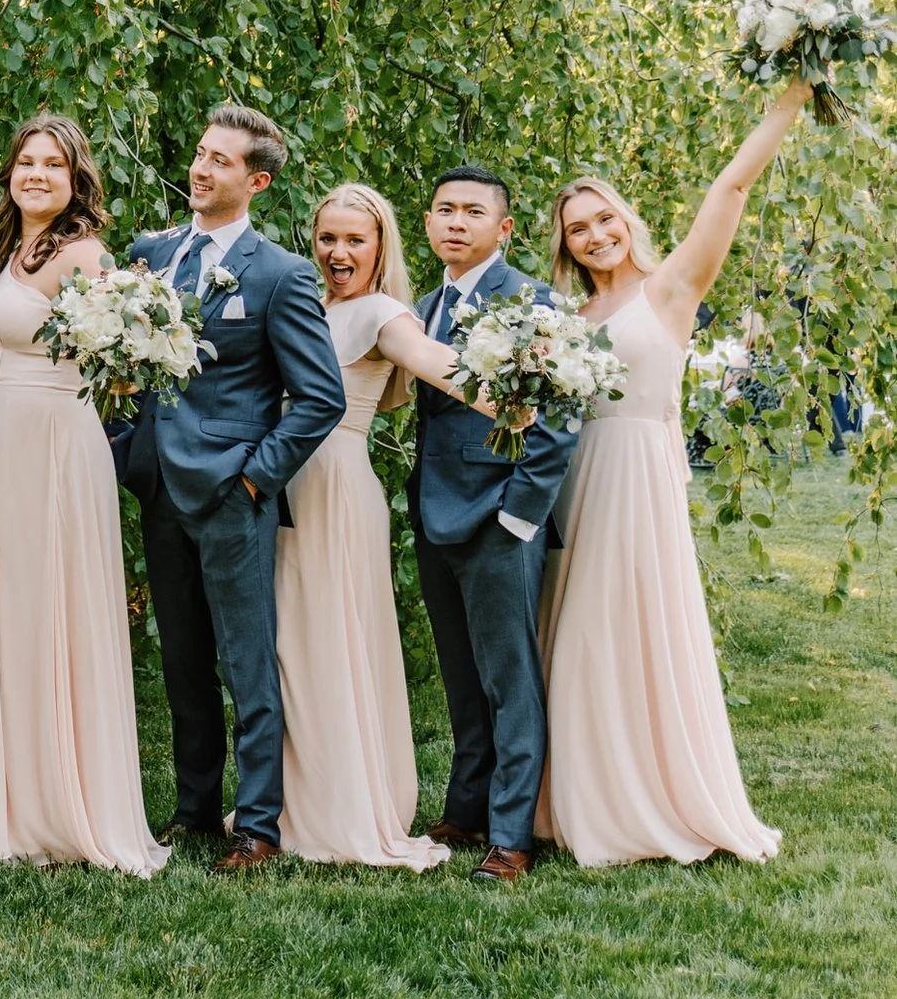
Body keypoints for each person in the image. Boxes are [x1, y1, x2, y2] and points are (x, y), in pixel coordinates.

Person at [534, 81, 809, 868]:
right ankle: (578, 794)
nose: (594, 236)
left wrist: (781, 110)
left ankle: (648, 797)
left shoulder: (671, 288)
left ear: (627, 220)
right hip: (576, 480)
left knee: (631, 624)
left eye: (604, 219)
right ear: (564, 245)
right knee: (577, 632)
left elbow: (729, 187)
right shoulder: (562, 317)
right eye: (578, 229)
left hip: (637, 478)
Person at [119, 104, 346, 870]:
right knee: (181, 657)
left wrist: (254, 478)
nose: (201, 167)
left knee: (246, 661)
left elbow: (321, 398)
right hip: (156, 486)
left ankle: (257, 822)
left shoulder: (281, 273)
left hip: (230, 494)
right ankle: (192, 809)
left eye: (221, 160)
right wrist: (128, 448)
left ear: (257, 180)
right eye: (200, 152)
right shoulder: (147, 254)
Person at [0, 116, 167, 876]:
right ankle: (13, 796)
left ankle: (64, 800)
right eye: (25, 161)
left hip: (54, 441)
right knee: (14, 609)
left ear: (76, 178)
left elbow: (126, 354)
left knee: (53, 609)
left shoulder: (84, 254)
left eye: (53, 163)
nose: (37, 173)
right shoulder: (14, 251)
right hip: (3, 441)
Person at [279, 183, 478, 872]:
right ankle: (293, 798)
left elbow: (437, 364)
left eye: (354, 239)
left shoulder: (382, 313)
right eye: (328, 237)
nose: (338, 251)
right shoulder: (310, 303)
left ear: (380, 246)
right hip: (285, 481)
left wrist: (516, 388)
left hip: (334, 483)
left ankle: (344, 805)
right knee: (293, 643)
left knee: (334, 637)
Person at [407, 166, 580, 884]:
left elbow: (562, 417)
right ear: (427, 222)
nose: (456, 221)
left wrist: (520, 513)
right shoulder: (419, 307)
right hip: (433, 507)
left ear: (503, 228)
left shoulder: (535, 303)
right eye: (444, 209)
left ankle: (511, 835)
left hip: (501, 515)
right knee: (459, 672)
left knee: (509, 677)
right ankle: (465, 808)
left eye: (473, 211)